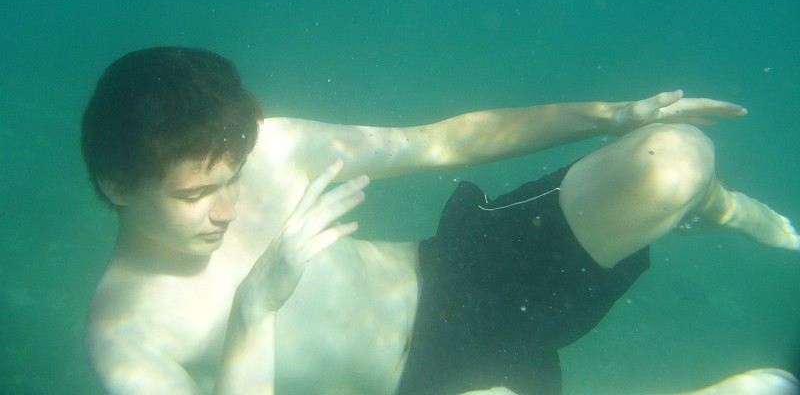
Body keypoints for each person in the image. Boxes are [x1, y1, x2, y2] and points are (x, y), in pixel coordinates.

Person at [81, 47, 799, 395]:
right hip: (421, 383)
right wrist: (252, 312)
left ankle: (720, 209)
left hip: (461, 272)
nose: (229, 208)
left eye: (233, 179)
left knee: (673, 158)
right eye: (194, 196)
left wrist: (615, 116)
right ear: (118, 185)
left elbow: (442, 142)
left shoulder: (268, 147)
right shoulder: (129, 336)